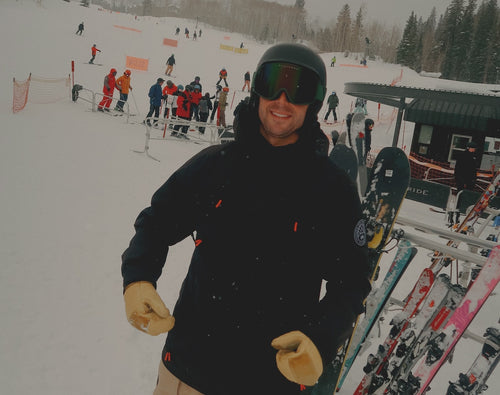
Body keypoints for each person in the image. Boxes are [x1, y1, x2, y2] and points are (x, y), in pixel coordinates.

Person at [121, 42, 370, 395]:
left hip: (267, 381)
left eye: (297, 89)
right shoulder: (217, 165)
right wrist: (138, 278)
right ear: (257, 91)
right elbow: (158, 220)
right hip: (187, 370)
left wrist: (321, 339)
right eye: (272, 84)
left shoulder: (331, 191)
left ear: (313, 102)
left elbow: (352, 282)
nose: (282, 100)